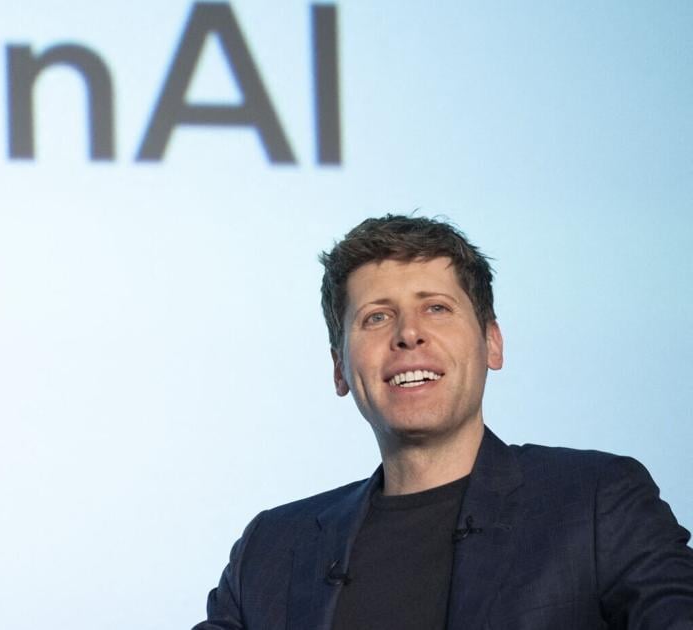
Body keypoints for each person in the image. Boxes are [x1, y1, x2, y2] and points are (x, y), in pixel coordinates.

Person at [193, 215, 693, 629]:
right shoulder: (271, 550)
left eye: (436, 308)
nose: (408, 334)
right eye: (376, 317)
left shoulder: (596, 502)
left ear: (492, 343)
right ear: (340, 367)